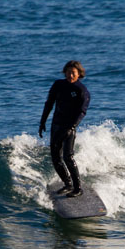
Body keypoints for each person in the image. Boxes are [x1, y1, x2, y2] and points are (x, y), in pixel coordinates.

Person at [38, 60, 90, 197]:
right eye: (68, 72)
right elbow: (49, 104)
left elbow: (82, 112)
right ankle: (67, 184)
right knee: (55, 157)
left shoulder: (81, 90)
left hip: (69, 127)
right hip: (56, 125)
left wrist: (72, 127)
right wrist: (42, 122)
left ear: (79, 74)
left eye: (73, 73)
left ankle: (78, 188)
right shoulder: (58, 85)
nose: (70, 75)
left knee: (68, 156)